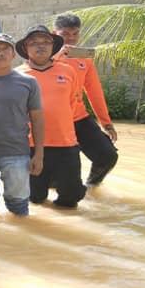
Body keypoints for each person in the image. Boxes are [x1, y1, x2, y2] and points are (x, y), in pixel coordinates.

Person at [0, 33, 44, 216]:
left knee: (18, 206)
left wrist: (39, 154)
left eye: (5, 49)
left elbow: (37, 119)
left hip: (17, 153)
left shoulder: (29, 82)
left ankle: (20, 243)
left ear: (13, 55)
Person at [15, 25, 87, 208]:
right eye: (34, 43)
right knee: (35, 199)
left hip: (65, 143)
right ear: (25, 48)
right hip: (30, 146)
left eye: (46, 41)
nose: (41, 46)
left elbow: (73, 103)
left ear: (53, 45)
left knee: (71, 197)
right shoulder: (16, 76)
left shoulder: (68, 71)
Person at [53, 13, 119, 186]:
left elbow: (94, 91)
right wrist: (59, 55)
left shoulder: (84, 59)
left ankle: (91, 188)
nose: (71, 38)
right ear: (55, 33)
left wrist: (106, 123)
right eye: (65, 34)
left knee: (108, 156)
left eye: (75, 34)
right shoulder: (44, 57)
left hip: (79, 118)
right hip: (53, 122)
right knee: (57, 173)